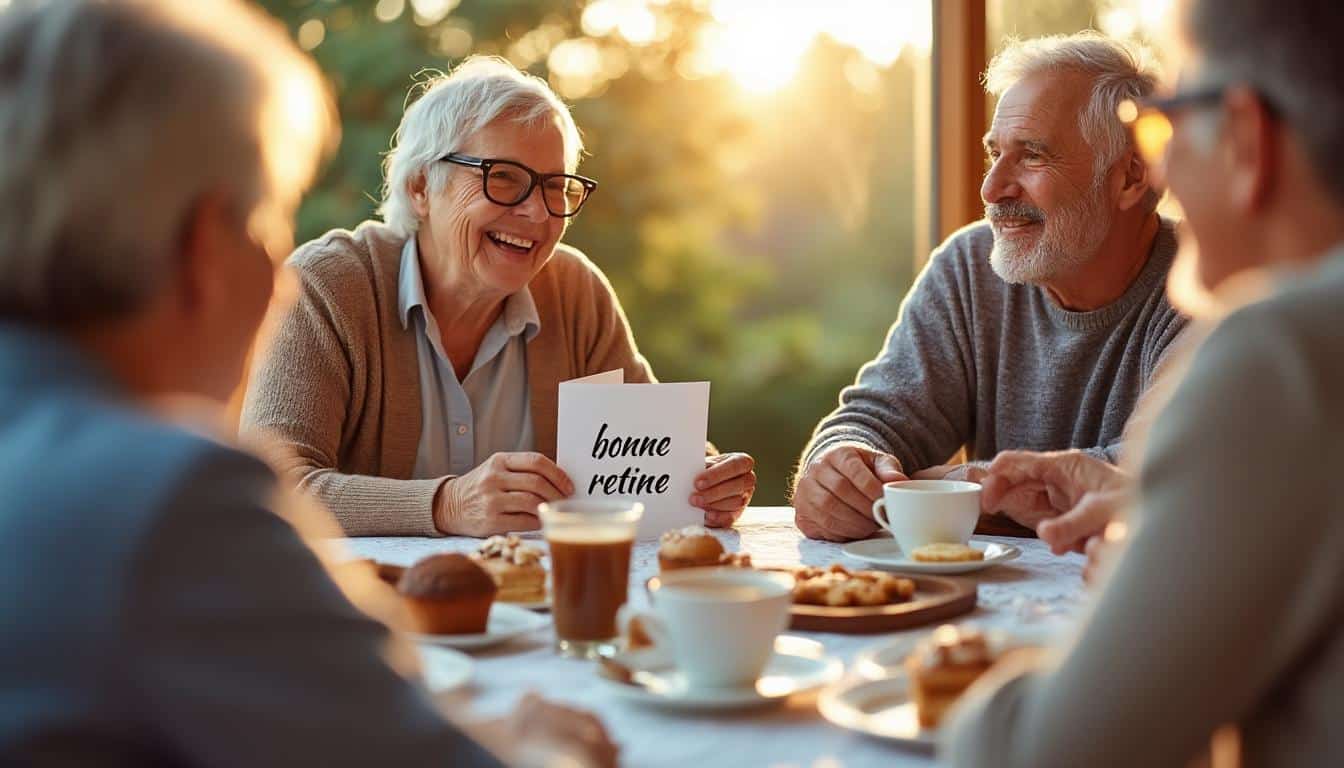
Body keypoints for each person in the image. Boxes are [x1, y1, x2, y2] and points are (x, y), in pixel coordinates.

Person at [0, 1, 615, 765]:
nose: (279, 280)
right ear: (202, 245)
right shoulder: (171, 500)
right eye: (266, 221)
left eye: (553, 187)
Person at [945, 1, 1344, 765]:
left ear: (1247, 140)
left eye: (1165, 122)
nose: (1159, 169)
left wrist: (958, 681)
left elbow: (1044, 754)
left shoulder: (1282, 354)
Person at [240, 56, 755, 538]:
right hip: (366, 615)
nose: (538, 214)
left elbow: (653, 456)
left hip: (542, 612)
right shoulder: (327, 287)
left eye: (556, 186)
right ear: (421, 187)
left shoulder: (576, 293)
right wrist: (447, 504)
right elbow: (268, 489)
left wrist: (705, 480)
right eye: (503, 178)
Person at [791, 33, 1188, 542]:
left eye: (1032, 156)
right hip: (989, 612)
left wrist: (961, 484)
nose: (991, 188)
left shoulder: (1208, 285)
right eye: (994, 153)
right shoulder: (969, 267)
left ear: (1132, 178)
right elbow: (876, 419)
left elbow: (1154, 476)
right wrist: (839, 464)